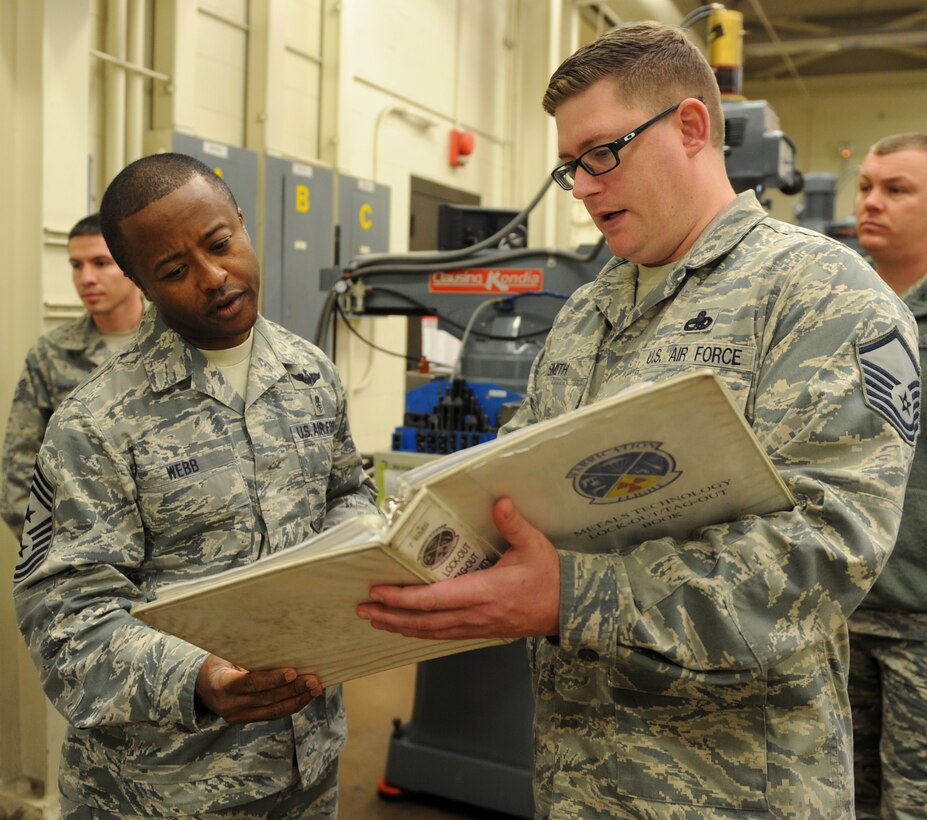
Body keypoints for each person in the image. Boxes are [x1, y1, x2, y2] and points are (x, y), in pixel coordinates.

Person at [357, 22, 921, 818]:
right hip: (576, 779)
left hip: (736, 790)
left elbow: (827, 553)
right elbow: (513, 487)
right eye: (568, 167)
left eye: (600, 153)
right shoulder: (586, 313)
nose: (582, 187)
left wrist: (573, 598)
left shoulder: (818, 293)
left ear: (690, 128)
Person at [13, 153, 380, 818]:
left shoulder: (309, 374)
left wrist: (366, 549)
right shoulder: (97, 423)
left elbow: (345, 494)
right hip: (161, 789)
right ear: (141, 283)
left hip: (307, 767)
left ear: (240, 221)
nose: (214, 278)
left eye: (220, 244)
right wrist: (196, 678)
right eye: (175, 271)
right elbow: (63, 623)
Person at [850, 132, 927, 819]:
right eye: (865, 187)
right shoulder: (841, 308)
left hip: (920, 622)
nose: (871, 202)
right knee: (840, 797)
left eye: (895, 189)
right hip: (842, 603)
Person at [1, 213, 144, 540]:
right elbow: (20, 470)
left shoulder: (173, 340)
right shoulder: (52, 353)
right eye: (76, 265)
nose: (86, 278)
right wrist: (54, 555)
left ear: (131, 265)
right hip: (78, 551)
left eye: (100, 263)